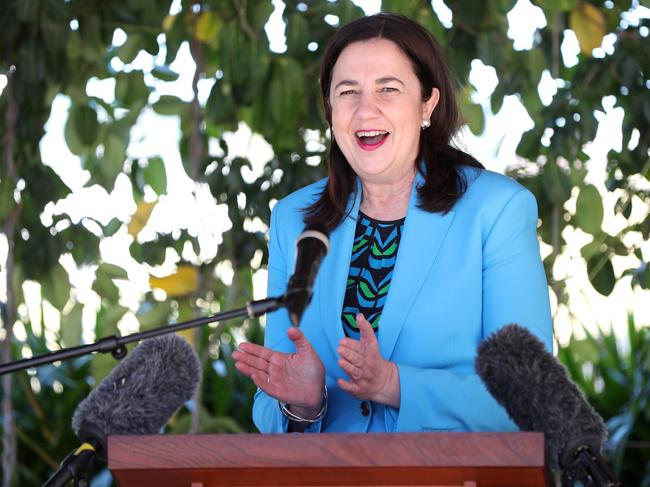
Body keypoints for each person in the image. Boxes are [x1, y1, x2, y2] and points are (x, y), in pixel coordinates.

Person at [232, 13, 552, 434]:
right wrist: (304, 405)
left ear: (427, 104)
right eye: (348, 91)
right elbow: (271, 405)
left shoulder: (495, 210)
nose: (366, 109)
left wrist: (393, 385)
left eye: (388, 89)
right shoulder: (294, 219)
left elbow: (530, 394)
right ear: (330, 109)